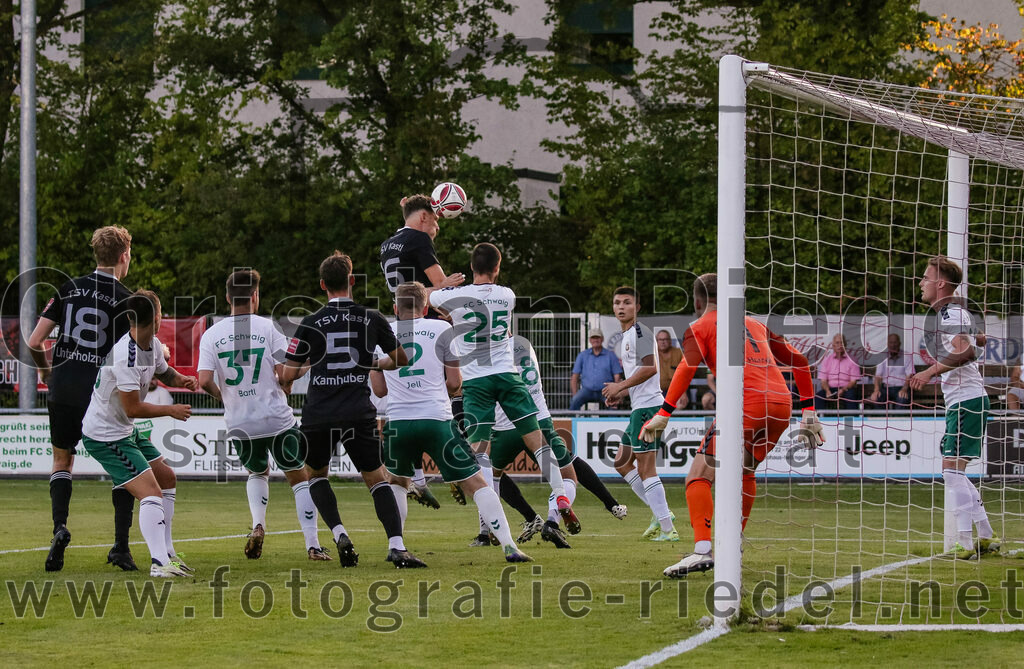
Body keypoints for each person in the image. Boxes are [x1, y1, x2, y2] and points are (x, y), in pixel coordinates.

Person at [640, 274, 822, 577]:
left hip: (745, 406)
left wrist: (664, 412)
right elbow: (800, 361)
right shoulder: (755, 323)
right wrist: (810, 412)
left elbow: (687, 366)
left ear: (697, 302)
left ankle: (702, 550)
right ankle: (732, 543)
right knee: (744, 471)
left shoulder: (699, 326)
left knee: (697, 477)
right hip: (781, 406)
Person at [282, 251, 426, 569]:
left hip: (319, 413)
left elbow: (288, 375)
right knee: (376, 480)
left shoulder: (310, 322)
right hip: (358, 411)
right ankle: (397, 546)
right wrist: (373, 361)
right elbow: (402, 358)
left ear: (322, 285)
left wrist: (310, 363)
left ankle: (339, 532)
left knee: (316, 475)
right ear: (351, 281)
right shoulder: (371, 318)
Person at [370, 281, 531, 562]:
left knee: (397, 482)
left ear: (395, 308)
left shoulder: (384, 333)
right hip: (436, 420)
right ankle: (509, 545)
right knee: (477, 482)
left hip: (398, 422)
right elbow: (455, 383)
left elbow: (380, 391)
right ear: (425, 307)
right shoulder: (442, 329)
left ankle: (396, 545)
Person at [429, 243, 580, 532]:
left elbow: (421, 297)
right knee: (538, 441)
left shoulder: (455, 295)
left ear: (471, 268)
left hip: (476, 380)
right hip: (507, 375)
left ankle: (491, 521)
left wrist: (442, 286)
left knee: (480, 450)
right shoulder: (507, 295)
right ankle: (560, 495)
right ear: (497, 269)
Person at [26, 225, 138, 572]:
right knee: (123, 469)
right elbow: (133, 354)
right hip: (103, 395)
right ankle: (120, 546)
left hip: (64, 388)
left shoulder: (68, 288)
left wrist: (46, 372)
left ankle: (59, 528)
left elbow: (33, 342)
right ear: (123, 256)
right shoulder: (128, 299)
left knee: (62, 461)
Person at [197, 270, 328, 562]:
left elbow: (203, 380)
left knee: (257, 472)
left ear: (228, 297)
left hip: (240, 421)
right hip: (275, 417)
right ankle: (313, 545)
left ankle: (258, 525)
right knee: (300, 477)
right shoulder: (267, 327)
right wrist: (305, 366)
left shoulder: (211, 334)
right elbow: (285, 374)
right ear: (255, 296)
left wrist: (224, 396)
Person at [79, 290, 199, 578]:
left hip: (123, 430)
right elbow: (132, 407)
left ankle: (168, 553)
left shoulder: (152, 344)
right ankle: (159, 564)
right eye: (162, 313)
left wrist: (181, 379)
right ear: (157, 318)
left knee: (167, 477)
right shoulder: (125, 355)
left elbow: (164, 372)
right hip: (106, 436)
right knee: (151, 492)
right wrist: (170, 411)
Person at [485, 334, 627, 550]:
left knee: (491, 475)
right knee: (568, 473)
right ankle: (552, 520)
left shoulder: (488, 350)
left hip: (505, 426)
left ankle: (495, 525)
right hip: (537, 419)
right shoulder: (524, 344)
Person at [908, 256, 999, 559]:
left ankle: (964, 541)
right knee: (955, 472)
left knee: (951, 472)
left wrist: (929, 372)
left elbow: (968, 351)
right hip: (967, 399)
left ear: (941, 283)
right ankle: (985, 535)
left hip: (967, 400)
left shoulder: (948, 314)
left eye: (925, 277)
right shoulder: (953, 314)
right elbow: (976, 343)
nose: (921, 283)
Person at [379, 193, 465, 507]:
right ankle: (459, 467)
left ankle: (415, 479)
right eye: (437, 218)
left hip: (400, 323)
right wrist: (448, 288)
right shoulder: (418, 238)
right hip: (424, 320)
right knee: (452, 390)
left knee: (405, 401)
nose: (438, 225)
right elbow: (439, 282)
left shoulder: (387, 245)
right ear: (424, 217)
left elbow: (405, 291)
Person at [601, 287, 678, 542]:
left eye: (627, 302)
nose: (621, 306)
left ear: (638, 307)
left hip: (648, 409)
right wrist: (621, 394)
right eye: (617, 302)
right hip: (640, 408)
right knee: (622, 462)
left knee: (646, 469)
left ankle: (668, 528)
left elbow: (650, 368)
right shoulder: (627, 336)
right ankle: (661, 512)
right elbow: (643, 375)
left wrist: (620, 385)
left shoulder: (639, 332)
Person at [569, 329, 623, 410]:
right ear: (590, 340)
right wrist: (574, 394)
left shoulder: (611, 355)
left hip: (605, 391)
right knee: (574, 401)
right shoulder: (582, 355)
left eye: (597, 337)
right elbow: (574, 377)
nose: (595, 340)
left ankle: (612, 422)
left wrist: (616, 393)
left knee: (613, 405)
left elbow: (617, 376)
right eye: (593, 338)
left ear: (602, 339)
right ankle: (571, 422)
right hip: (586, 390)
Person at [815, 333, 862, 410]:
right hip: (830, 388)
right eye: (837, 343)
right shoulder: (827, 360)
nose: (840, 345)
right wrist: (827, 391)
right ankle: (820, 420)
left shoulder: (852, 360)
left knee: (851, 396)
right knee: (818, 396)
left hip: (847, 388)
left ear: (845, 345)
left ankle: (851, 420)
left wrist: (843, 389)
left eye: (842, 343)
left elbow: (853, 382)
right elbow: (823, 381)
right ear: (833, 345)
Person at [868, 333, 913, 408]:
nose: (893, 345)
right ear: (887, 344)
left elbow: (910, 375)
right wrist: (876, 390)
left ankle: (898, 420)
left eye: (895, 342)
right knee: (876, 399)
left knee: (902, 399)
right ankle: (882, 420)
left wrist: (904, 389)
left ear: (899, 343)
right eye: (891, 343)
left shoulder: (907, 356)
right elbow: (878, 376)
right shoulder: (882, 356)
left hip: (901, 387)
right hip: (885, 388)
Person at [656, 330, 685, 405]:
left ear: (670, 341)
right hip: (656, 392)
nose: (663, 342)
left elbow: (685, 375)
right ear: (656, 341)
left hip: (676, 391)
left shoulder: (678, 353)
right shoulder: (652, 355)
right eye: (660, 339)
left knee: (680, 403)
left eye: (665, 339)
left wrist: (683, 393)